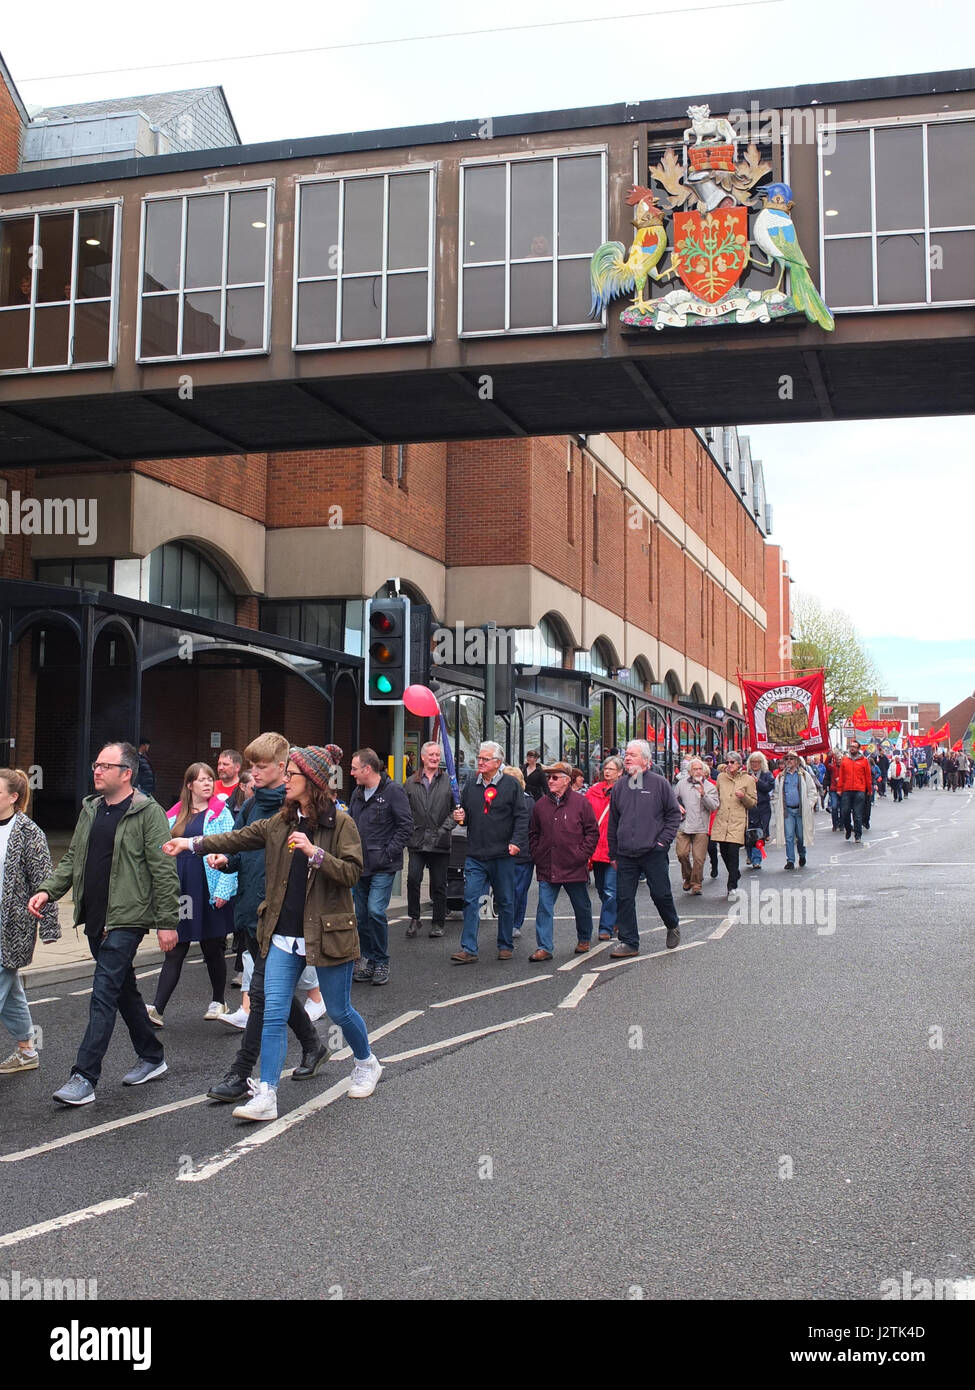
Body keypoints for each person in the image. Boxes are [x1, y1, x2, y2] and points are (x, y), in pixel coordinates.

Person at [165, 745, 380, 1121]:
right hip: (282, 933)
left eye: (291, 777)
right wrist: (191, 844)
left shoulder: (340, 822)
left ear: (311, 782)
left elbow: (352, 872)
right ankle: (267, 1093)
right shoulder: (281, 821)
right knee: (273, 1012)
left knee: (341, 1011)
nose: (285, 782)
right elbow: (237, 838)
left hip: (326, 932)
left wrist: (315, 854)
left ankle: (366, 1063)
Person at [30, 742, 179, 1106]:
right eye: (96, 764)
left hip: (126, 919)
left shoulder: (148, 813)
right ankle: (152, 1055)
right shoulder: (91, 809)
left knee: (102, 994)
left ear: (126, 773)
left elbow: (163, 871)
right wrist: (48, 890)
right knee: (123, 989)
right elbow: (73, 859)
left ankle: (84, 1076)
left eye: (105, 766)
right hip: (95, 917)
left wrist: (167, 921)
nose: (96, 770)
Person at [204, 733, 328, 1103]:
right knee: (272, 992)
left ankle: (241, 1073)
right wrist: (226, 859)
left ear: (282, 767)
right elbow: (242, 847)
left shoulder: (293, 811)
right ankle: (313, 1045)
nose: (253, 773)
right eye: (251, 766)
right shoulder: (250, 805)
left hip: (280, 919)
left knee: (259, 995)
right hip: (250, 912)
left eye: (261, 766)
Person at [145, 763, 237, 1027]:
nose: (208, 784)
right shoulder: (173, 815)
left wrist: (224, 891)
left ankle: (219, 1001)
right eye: (201, 780)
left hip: (209, 887)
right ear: (189, 785)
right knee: (176, 948)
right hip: (182, 889)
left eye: (210, 779)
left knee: (212, 949)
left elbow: (232, 850)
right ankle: (157, 1009)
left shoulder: (221, 814)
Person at [0, 769, 61, 1076]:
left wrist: (50, 925)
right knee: (10, 992)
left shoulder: (28, 832)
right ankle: (27, 1050)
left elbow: (44, 881)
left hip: (12, 928)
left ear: (13, 798)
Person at [450, 741, 529, 963]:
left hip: (503, 854)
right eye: (479, 758)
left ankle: (505, 944)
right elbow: (465, 817)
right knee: (470, 899)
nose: (480, 762)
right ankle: (469, 948)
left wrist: (516, 842)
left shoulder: (511, 785)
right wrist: (460, 817)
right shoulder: (471, 787)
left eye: (485, 759)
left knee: (504, 900)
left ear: (497, 762)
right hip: (475, 854)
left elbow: (522, 816)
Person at [607, 740, 682, 957]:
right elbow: (614, 822)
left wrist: (662, 843)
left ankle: (672, 923)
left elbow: (673, 815)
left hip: (653, 852)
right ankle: (629, 942)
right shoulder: (620, 786)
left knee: (660, 894)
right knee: (624, 898)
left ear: (646, 760)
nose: (627, 757)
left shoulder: (659, 783)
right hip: (625, 853)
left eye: (632, 754)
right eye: (626, 754)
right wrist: (613, 852)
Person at [348, 749, 413, 985]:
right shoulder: (357, 793)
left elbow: (405, 826)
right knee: (361, 915)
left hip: (383, 865)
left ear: (367, 769)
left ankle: (381, 960)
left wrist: (388, 854)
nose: (351, 772)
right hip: (359, 865)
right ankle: (368, 959)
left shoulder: (393, 791)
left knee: (376, 911)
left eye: (355, 768)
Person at [527, 762, 598, 961]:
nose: (550, 781)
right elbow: (533, 833)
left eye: (555, 777)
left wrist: (581, 854)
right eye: (548, 777)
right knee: (544, 907)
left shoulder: (580, 802)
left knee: (581, 905)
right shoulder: (541, 804)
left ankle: (584, 938)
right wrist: (537, 853)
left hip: (573, 865)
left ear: (567, 780)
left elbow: (592, 832)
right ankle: (544, 947)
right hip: (547, 865)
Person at [403, 741, 455, 939]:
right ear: (423, 757)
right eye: (431, 755)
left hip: (440, 840)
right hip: (417, 840)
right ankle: (414, 918)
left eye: (437, 755)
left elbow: (456, 811)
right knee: (413, 879)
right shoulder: (410, 782)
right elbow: (404, 811)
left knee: (439, 884)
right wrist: (408, 831)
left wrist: (444, 829)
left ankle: (438, 922)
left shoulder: (449, 781)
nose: (435, 758)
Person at [709, 750, 757, 900]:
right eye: (727, 762)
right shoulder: (721, 777)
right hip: (722, 818)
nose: (729, 765)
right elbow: (716, 796)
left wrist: (744, 797)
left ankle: (732, 885)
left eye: (732, 762)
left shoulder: (748, 780)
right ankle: (734, 872)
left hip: (737, 819)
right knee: (723, 851)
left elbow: (753, 803)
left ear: (739, 764)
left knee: (733, 851)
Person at [586, 755, 623, 939]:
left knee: (610, 889)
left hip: (614, 847)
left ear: (620, 772)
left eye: (611, 769)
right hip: (595, 847)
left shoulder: (624, 791)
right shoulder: (593, 791)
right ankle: (615, 916)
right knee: (601, 888)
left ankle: (605, 928)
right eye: (605, 768)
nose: (607, 772)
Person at [675, 757, 719, 895]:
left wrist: (704, 795)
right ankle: (687, 877)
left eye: (700, 769)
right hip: (683, 826)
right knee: (682, 854)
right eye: (695, 769)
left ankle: (696, 884)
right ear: (689, 771)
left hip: (701, 827)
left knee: (699, 858)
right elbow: (671, 800)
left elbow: (714, 806)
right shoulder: (681, 784)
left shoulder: (710, 787)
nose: (698, 771)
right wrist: (677, 805)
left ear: (704, 771)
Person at [503, 766, 535, 940]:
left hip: (523, 855)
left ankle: (516, 923)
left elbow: (530, 829)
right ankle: (507, 921)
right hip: (502, 854)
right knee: (506, 891)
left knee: (519, 891)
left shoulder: (528, 802)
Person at [771, 753, 817, 869]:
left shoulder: (804, 775)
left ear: (797, 761)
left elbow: (812, 791)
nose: (789, 761)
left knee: (801, 836)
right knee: (789, 836)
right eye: (787, 759)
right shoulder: (781, 777)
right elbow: (776, 793)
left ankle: (802, 854)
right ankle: (790, 860)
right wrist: (777, 806)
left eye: (792, 759)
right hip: (788, 811)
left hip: (801, 810)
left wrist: (810, 804)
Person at [837, 740, 872, 843]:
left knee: (857, 814)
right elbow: (841, 775)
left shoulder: (864, 760)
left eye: (854, 747)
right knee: (845, 812)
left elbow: (868, 776)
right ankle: (848, 828)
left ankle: (858, 835)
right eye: (851, 746)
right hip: (847, 790)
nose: (852, 748)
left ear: (858, 749)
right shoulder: (845, 760)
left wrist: (869, 790)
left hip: (859, 790)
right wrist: (839, 788)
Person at [745, 752, 774, 869]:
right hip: (749, 807)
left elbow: (768, 787)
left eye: (757, 762)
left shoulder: (767, 774)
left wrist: (758, 781)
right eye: (752, 762)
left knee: (759, 833)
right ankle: (750, 855)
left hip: (763, 807)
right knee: (748, 834)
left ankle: (757, 859)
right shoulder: (746, 775)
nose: (755, 764)